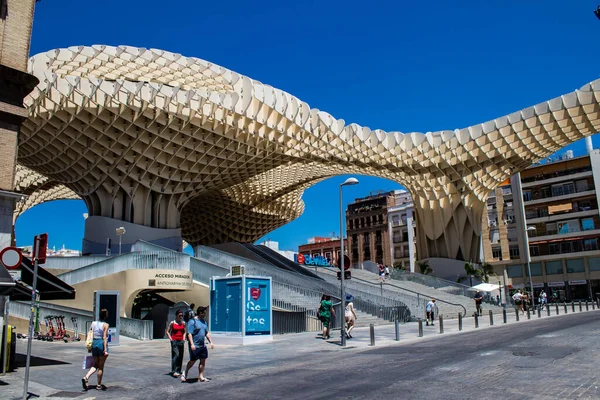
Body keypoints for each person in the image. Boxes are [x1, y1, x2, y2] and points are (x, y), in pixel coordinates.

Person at [182, 306, 214, 383]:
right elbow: (189, 334)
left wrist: (211, 342)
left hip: (202, 345)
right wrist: (192, 344)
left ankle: (201, 376)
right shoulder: (192, 321)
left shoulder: (204, 322)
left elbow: (207, 333)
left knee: (203, 360)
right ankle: (185, 372)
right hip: (195, 345)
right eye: (204, 313)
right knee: (193, 360)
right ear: (200, 313)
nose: (205, 315)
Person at [82, 308, 109, 391]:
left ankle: (86, 377)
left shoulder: (93, 323)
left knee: (95, 364)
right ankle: (98, 385)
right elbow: (105, 337)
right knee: (100, 366)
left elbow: (89, 334)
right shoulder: (106, 325)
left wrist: (89, 347)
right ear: (105, 316)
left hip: (94, 343)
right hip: (101, 343)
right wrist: (105, 349)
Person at [166, 310, 186, 377]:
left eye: (182, 315)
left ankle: (178, 370)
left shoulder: (183, 323)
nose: (181, 317)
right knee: (176, 355)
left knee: (180, 355)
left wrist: (183, 339)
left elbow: (185, 332)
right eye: (180, 315)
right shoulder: (172, 323)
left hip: (181, 341)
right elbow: (168, 331)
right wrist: (171, 339)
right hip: (174, 340)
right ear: (176, 315)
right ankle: (174, 370)